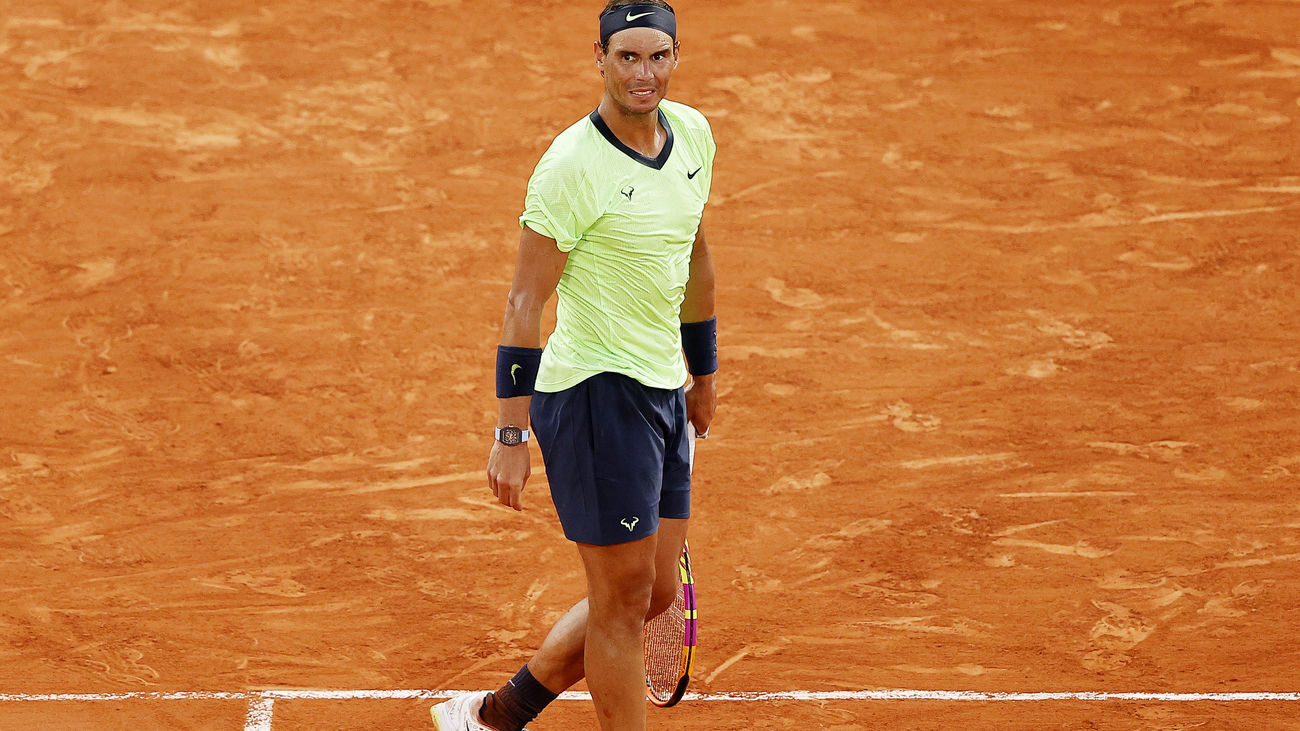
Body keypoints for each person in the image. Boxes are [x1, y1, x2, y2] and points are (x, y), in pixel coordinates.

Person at [429, 1, 717, 729]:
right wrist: (509, 433)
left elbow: (696, 252)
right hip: (592, 397)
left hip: (662, 390)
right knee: (620, 601)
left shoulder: (695, 138)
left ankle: (498, 714)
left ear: (675, 57)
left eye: (657, 57)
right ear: (599, 58)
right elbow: (524, 302)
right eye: (627, 58)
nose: (643, 73)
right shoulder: (569, 167)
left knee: (651, 592)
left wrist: (704, 372)